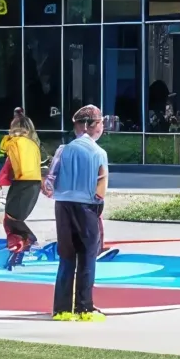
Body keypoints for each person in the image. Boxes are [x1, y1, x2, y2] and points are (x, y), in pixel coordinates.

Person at [46, 105, 108, 322]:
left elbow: (49, 184)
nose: (102, 127)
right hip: (86, 208)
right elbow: (101, 190)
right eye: (100, 123)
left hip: (62, 207)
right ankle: (84, 308)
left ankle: (61, 309)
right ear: (89, 126)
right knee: (87, 257)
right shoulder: (99, 153)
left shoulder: (63, 150)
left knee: (66, 257)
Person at [0, 110, 45, 268]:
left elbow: (2, 148)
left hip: (23, 182)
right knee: (13, 218)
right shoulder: (33, 143)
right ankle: (22, 245)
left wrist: (9, 135)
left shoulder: (14, 141)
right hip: (33, 182)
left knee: (11, 219)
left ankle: (29, 240)